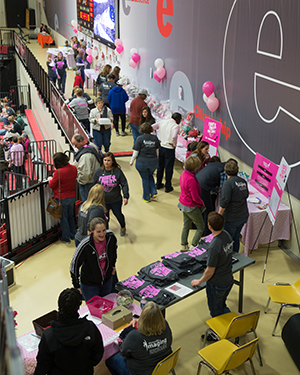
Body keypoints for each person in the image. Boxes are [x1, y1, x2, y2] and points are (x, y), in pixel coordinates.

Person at [33, 288, 104, 375]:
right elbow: (98, 353)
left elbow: (42, 366)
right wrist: (86, 365)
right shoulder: (90, 328)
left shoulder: (49, 336)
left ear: (59, 307)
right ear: (78, 306)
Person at [105, 301, 173, 375]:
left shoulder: (134, 336)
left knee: (110, 360)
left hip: (142, 372)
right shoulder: (165, 324)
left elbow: (123, 351)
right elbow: (170, 341)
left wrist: (123, 342)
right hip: (164, 364)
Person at [191, 212, 233, 319]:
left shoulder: (214, 247)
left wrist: (199, 281)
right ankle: (231, 324)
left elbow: (210, 271)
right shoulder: (227, 235)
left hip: (217, 283)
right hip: (228, 279)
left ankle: (220, 332)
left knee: (215, 311)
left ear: (209, 226)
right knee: (222, 304)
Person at [70, 217, 117, 302]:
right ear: (92, 231)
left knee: (107, 304)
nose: (102, 234)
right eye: (98, 232)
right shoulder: (85, 245)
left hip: (107, 280)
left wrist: (113, 265)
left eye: (104, 230)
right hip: (90, 285)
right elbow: (74, 265)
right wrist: (76, 285)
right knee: (94, 309)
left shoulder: (110, 237)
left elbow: (114, 250)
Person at [93, 152, 129, 237]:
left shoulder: (117, 172)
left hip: (115, 200)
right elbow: (94, 185)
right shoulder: (99, 171)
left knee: (118, 214)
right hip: (103, 200)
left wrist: (126, 196)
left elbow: (124, 184)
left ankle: (123, 227)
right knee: (105, 218)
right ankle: (106, 232)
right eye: (105, 160)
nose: (106, 162)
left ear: (112, 161)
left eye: (108, 160)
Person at [218, 160, 249, 253]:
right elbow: (246, 195)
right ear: (237, 170)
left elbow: (224, 201)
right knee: (236, 237)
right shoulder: (243, 181)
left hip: (232, 216)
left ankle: (228, 258)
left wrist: (219, 215)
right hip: (243, 215)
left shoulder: (227, 184)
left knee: (228, 239)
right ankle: (235, 255)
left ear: (225, 171)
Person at [48, 152, 77, 243]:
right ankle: (73, 234)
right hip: (72, 196)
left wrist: (50, 180)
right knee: (71, 216)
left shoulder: (58, 172)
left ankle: (66, 237)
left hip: (61, 198)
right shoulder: (73, 168)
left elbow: (52, 185)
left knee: (63, 218)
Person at [178, 156, 205, 251]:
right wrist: (201, 203)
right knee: (201, 227)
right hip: (190, 206)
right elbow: (195, 197)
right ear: (195, 168)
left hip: (183, 203)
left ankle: (183, 245)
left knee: (186, 225)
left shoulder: (183, 174)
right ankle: (193, 247)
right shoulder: (191, 179)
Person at [130, 122, 160, 202]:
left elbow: (135, 152)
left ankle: (146, 197)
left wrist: (131, 161)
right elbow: (157, 152)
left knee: (145, 178)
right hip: (153, 162)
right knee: (149, 175)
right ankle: (153, 191)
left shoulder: (139, 139)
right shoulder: (155, 138)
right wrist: (156, 160)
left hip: (141, 162)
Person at [152, 112, 182, 193]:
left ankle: (158, 184)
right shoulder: (176, 126)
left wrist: (155, 136)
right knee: (169, 168)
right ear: (178, 120)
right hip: (169, 149)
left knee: (160, 166)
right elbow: (174, 136)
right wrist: (174, 144)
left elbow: (152, 127)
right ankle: (168, 186)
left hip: (161, 146)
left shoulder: (162, 121)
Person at [196, 156, 226, 236]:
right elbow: (223, 188)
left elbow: (212, 180)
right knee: (208, 209)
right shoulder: (223, 171)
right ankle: (206, 232)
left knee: (202, 207)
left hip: (197, 183)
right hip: (203, 188)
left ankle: (199, 226)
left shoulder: (215, 165)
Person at [72, 134, 102, 202]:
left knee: (87, 205)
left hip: (87, 184)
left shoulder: (85, 156)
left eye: (76, 144)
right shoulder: (91, 146)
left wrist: (79, 180)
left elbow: (85, 174)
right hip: (94, 181)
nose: (75, 147)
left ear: (81, 141)